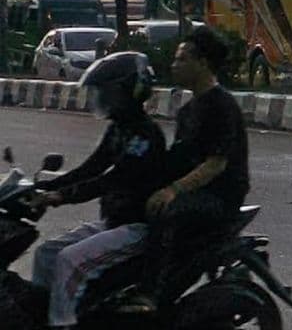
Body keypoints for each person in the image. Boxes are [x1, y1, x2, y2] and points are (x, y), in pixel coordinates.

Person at [30, 52, 164, 329]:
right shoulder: (119, 129)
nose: (103, 98)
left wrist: (62, 197)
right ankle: (36, 319)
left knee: (69, 261)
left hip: (136, 228)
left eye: (108, 92)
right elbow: (91, 168)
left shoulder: (145, 135)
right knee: (46, 254)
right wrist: (43, 185)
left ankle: (62, 323)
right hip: (112, 224)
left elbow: (112, 179)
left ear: (129, 92)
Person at [123, 26, 248, 314]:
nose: (174, 65)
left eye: (181, 59)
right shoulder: (188, 111)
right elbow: (178, 160)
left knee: (167, 211)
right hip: (195, 193)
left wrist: (173, 190)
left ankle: (151, 294)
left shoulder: (222, 106)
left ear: (203, 63)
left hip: (220, 197)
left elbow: (216, 164)